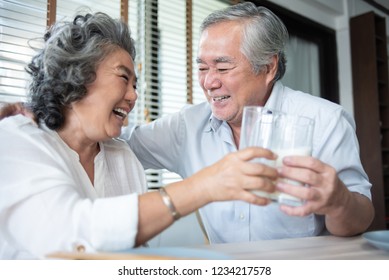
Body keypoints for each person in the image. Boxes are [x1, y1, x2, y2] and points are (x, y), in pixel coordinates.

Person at [0, 12, 279, 259]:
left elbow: (131, 257)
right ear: (75, 76)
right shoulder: (18, 138)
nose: (134, 96)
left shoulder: (122, 156)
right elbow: (68, 236)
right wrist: (203, 186)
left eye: (136, 84)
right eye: (123, 78)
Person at [126, 2, 375, 243]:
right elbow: (118, 145)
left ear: (268, 67)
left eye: (223, 68)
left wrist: (340, 201)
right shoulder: (187, 126)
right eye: (202, 68)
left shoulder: (325, 120)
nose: (209, 82)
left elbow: (362, 218)